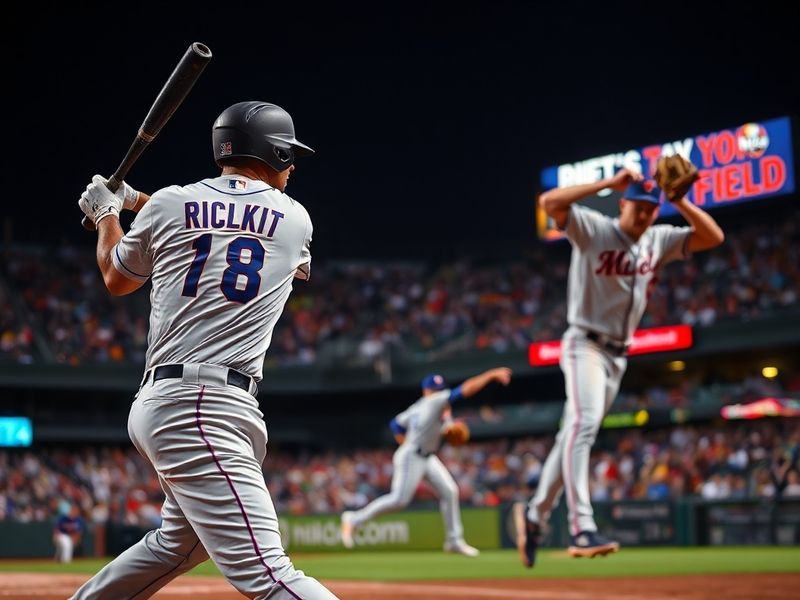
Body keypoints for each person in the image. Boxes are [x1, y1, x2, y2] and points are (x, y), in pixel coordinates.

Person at [73, 102, 338, 599]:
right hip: (201, 407)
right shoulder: (295, 219)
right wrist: (129, 203)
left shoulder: (169, 202)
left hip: (179, 401)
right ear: (274, 152)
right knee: (272, 575)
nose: (293, 166)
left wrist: (109, 212)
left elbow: (117, 275)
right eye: (289, 154)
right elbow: (224, 229)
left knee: (179, 545)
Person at [515, 168, 724, 567]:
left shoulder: (658, 239)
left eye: (651, 209)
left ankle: (534, 516)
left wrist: (680, 201)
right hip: (584, 344)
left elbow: (713, 237)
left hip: (618, 356)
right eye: (637, 207)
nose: (644, 215)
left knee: (570, 436)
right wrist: (606, 185)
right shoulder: (595, 228)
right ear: (623, 204)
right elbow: (548, 203)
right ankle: (582, 526)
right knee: (583, 426)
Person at [341, 368, 512, 556]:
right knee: (399, 500)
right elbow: (466, 389)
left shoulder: (421, 407)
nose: (437, 392)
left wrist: (438, 432)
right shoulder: (434, 401)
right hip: (412, 456)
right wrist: (490, 375)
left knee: (449, 491)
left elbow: (396, 424)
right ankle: (353, 518)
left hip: (426, 456)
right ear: (426, 391)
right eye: (434, 389)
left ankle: (454, 540)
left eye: (439, 389)